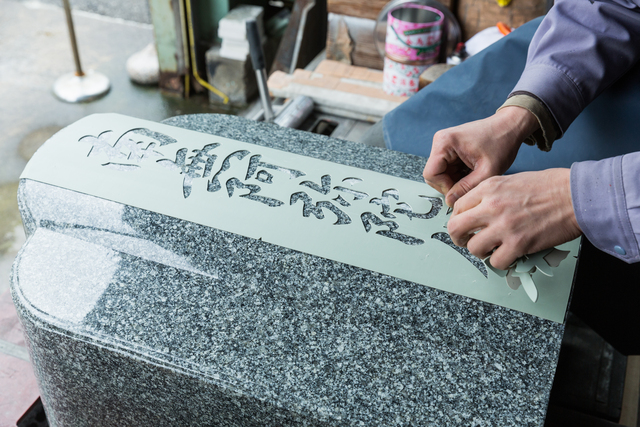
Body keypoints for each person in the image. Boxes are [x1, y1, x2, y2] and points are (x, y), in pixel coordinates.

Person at [390, 0, 640, 270]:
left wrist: (577, 198)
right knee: (396, 141)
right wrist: (516, 116)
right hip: (596, 51)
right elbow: (612, 7)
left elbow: (583, 198)